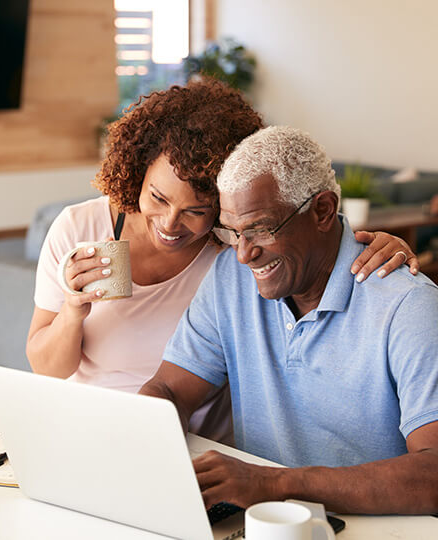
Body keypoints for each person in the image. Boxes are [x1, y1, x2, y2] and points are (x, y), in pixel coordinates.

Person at [26, 79, 417, 444]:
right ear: (137, 171)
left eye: (196, 210)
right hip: (88, 432)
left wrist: (375, 245)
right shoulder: (79, 227)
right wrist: (73, 310)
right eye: (158, 198)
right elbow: (47, 369)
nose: (170, 224)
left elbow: (311, 243)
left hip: (197, 449)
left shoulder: (232, 252)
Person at [140, 125, 438, 515]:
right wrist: (142, 453)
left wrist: (275, 485)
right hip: (262, 521)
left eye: (261, 229)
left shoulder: (408, 305)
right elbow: (169, 389)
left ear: (323, 211)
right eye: (232, 232)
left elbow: (433, 473)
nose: (244, 254)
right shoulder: (231, 276)